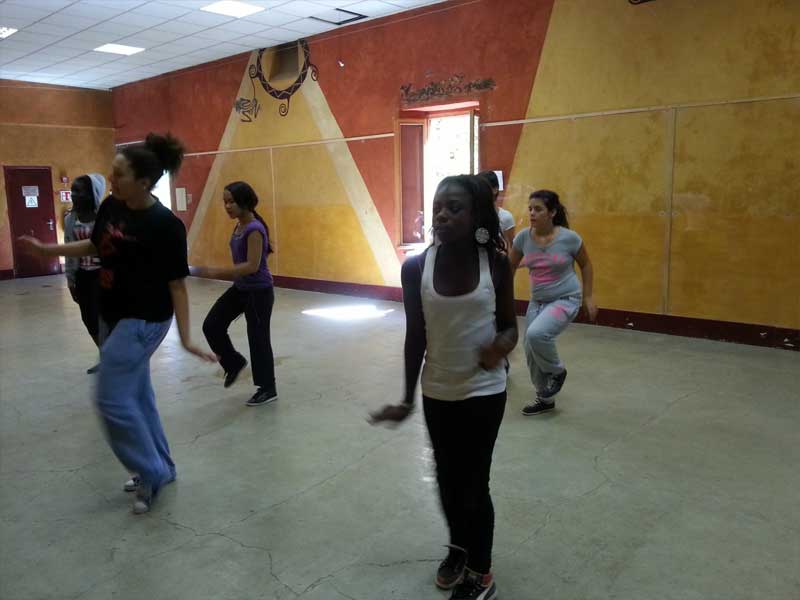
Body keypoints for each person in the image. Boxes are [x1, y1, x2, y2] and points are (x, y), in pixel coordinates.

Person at [19, 133, 215, 514]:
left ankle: (150, 470)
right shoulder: (112, 205)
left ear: (143, 181)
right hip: (112, 312)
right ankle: (162, 466)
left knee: (110, 398)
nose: (111, 178)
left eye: (120, 173)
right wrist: (49, 251)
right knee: (137, 396)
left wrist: (188, 338)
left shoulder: (166, 225)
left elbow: (177, 285)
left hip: (144, 320)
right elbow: (95, 246)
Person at [370, 174, 517, 600]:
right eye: (438, 206)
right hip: (438, 391)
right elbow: (416, 335)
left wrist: (498, 349)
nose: (442, 214)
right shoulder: (416, 267)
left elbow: (510, 328)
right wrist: (405, 398)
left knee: (474, 484)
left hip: (485, 392)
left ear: (475, 216)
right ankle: (459, 548)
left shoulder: (495, 264)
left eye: (454, 207)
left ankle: (481, 572)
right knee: (447, 480)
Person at [509, 189, 597, 416]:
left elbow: (586, 265)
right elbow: (509, 267)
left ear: (552, 212)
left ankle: (557, 372)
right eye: (530, 208)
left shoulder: (570, 238)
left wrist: (588, 296)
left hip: (565, 299)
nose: (532, 213)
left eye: (538, 209)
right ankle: (545, 398)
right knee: (530, 348)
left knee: (536, 335)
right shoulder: (523, 238)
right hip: (538, 302)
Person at [193, 181, 277, 407]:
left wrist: (217, 272)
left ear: (244, 202)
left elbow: (251, 266)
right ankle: (233, 363)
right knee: (212, 325)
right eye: (225, 202)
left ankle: (267, 388)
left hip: (259, 292)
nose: (227, 206)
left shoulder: (254, 229)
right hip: (241, 288)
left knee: (258, 339)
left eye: (231, 202)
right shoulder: (239, 226)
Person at [64, 173, 106, 373]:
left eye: (78, 190)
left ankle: (116, 360)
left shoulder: (104, 217)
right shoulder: (70, 220)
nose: (74, 194)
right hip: (83, 276)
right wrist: (71, 280)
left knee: (107, 318)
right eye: (73, 190)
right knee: (89, 319)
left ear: (92, 194)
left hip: (104, 276)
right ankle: (106, 356)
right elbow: (69, 249)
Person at [478, 171, 515, 250]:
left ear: (495, 189)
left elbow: (511, 247)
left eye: (483, 188)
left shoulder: (506, 217)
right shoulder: (470, 217)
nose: (479, 192)